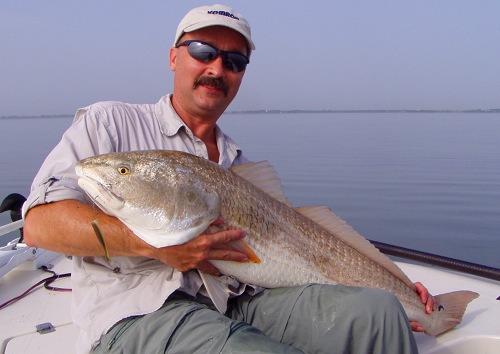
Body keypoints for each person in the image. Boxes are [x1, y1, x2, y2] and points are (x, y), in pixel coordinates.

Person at [22, 4, 434, 354]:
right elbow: (38, 225)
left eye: (234, 61)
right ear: (173, 57)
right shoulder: (109, 124)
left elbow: (302, 255)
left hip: (238, 302)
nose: (217, 68)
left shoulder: (239, 166)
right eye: (203, 51)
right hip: (141, 313)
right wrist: (156, 247)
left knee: (377, 312)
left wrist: (394, 286)